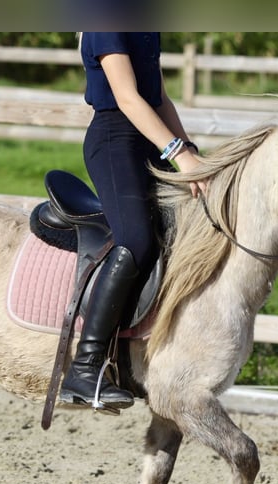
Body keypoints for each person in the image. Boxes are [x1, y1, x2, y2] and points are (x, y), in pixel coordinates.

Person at [58, 32, 206, 411]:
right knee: (136, 240)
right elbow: (127, 98)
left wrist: (190, 152)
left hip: (151, 138)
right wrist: (178, 155)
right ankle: (85, 368)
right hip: (115, 141)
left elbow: (160, 96)